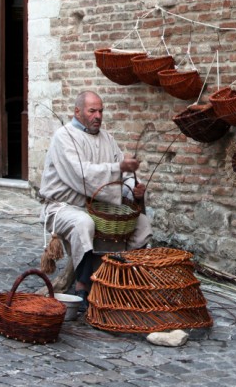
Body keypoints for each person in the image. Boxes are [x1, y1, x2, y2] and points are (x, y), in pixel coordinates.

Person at [38, 90, 152, 310]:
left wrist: (132, 190)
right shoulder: (64, 137)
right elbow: (81, 175)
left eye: (100, 111)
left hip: (101, 207)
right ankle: (83, 286)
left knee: (143, 225)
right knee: (84, 223)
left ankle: (118, 279)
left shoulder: (107, 139)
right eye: (92, 111)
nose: (98, 115)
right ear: (78, 112)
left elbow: (124, 176)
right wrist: (118, 168)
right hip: (65, 207)